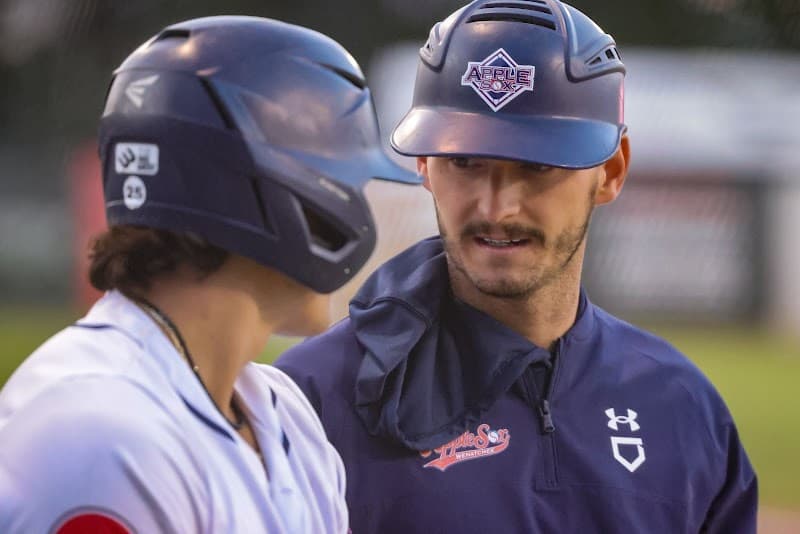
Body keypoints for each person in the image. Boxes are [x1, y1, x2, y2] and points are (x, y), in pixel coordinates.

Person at [275, 1, 758, 532]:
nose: (497, 207)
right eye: (465, 162)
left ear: (612, 171)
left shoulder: (682, 407)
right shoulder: (312, 399)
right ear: (425, 166)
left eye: (536, 165)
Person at [0, 15, 418, 533]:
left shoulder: (281, 408)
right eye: (344, 181)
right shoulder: (101, 431)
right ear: (267, 195)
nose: (361, 205)